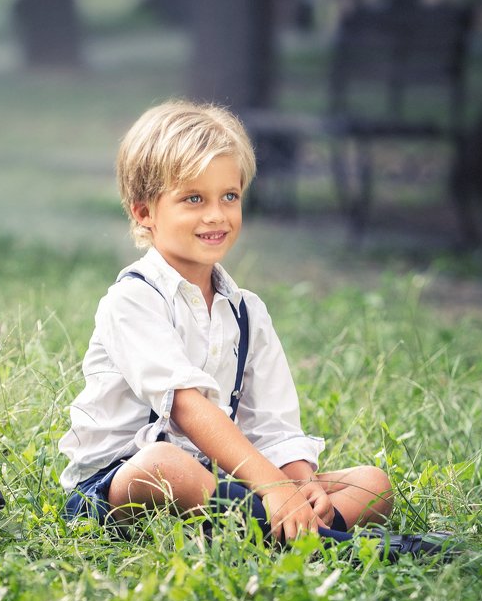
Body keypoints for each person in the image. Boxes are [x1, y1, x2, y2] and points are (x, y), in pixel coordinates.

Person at [58, 100, 396, 545]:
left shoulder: (247, 310)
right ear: (144, 213)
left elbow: (273, 422)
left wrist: (298, 481)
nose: (216, 215)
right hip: (120, 483)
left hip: (220, 482)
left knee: (371, 486)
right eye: (193, 199)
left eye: (229, 197)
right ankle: (306, 538)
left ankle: (273, 529)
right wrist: (273, 487)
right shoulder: (133, 299)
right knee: (165, 464)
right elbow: (186, 407)